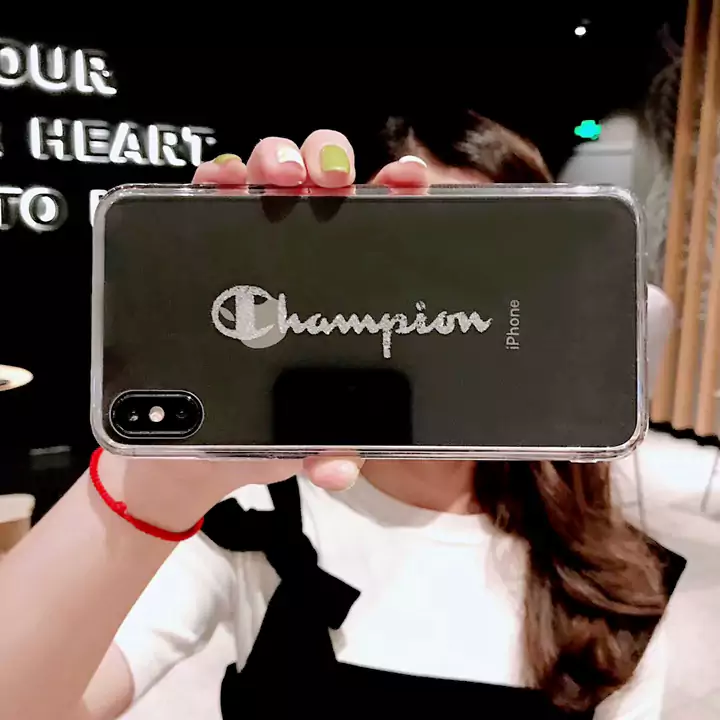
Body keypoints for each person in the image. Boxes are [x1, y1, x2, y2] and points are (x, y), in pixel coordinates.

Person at [0, 113, 684, 720]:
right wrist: (147, 491)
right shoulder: (254, 520)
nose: (439, 309)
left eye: (486, 262)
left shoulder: (612, 579)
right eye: (410, 259)